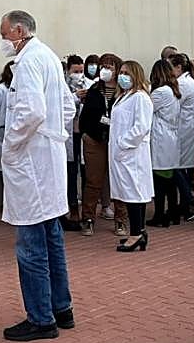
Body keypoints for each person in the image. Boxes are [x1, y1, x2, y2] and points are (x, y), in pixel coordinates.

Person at [0, 10, 76, 341]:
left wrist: (11, 145)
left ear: (18, 31)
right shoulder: (48, 58)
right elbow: (68, 108)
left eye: (4, 34)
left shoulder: (30, 61)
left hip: (32, 161)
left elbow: (30, 112)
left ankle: (41, 318)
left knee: (30, 243)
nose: (2, 40)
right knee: (51, 236)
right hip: (48, 159)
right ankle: (61, 308)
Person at [110, 60, 154, 252]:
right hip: (123, 154)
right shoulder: (124, 96)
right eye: (121, 72)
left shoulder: (141, 98)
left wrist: (123, 143)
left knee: (134, 194)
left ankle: (136, 234)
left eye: (127, 73)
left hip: (132, 153)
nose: (122, 76)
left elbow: (141, 127)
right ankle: (139, 232)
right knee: (132, 193)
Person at [77, 52, 122, 235]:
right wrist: (86, 135)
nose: (105, 70)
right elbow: (86, 116)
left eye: (110, 67)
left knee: (119, 181)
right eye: (103, 67)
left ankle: (121, 219)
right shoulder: (95, 90)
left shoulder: (124, 92)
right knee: (93, 181)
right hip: (95, 140)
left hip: (117, 141)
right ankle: (88, 218)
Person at [149, 59, 182, 227]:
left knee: (160, 180)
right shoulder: (173, 90)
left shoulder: (160, 92)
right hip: (170, 137)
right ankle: (173, 213)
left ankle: (160, 215)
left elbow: (147, 110)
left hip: (161, 138)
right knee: (169, 179)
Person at [169, 53, 194, 220]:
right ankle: (186, 202)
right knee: (179, 167)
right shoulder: (188, 81)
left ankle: (189, 200)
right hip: (185, 129)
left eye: (170, 67)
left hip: (183, 130)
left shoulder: (183, 84)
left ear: (179, 68)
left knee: (175, 167)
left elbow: (172, 104)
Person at [64, 55, 91, 213]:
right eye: (75, 71)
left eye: (81, 71)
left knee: (86, 172)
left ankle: (87, 210)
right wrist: (75, 97)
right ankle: (72, 206)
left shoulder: (89, 84)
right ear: (68, 70)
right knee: (70, 172)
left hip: (84, 134)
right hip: (69, 135)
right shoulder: (63, 87)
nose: (79, 75)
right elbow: (62, 106)